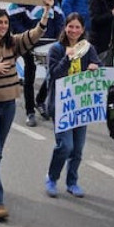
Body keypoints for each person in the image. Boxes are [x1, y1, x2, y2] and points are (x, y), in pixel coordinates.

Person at [0, 0, 53, 222]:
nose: (3, 26)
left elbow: (35, 34)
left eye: (6, 22)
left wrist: (46, 11)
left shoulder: (13, 43)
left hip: (8, 104)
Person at [44, 14, 99, 198]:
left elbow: (97, 66)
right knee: (65, 146)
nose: (74, 31)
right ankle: (52, 177)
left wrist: (95, 67)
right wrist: (67, 58)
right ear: (65, 28)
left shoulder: (88, 49)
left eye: (77, 27)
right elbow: (54, 75)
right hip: (61, 106)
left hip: (81, 106)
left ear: (82, 30)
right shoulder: (56, 49)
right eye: (70, 27)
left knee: (77, 149)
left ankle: (72, 182)